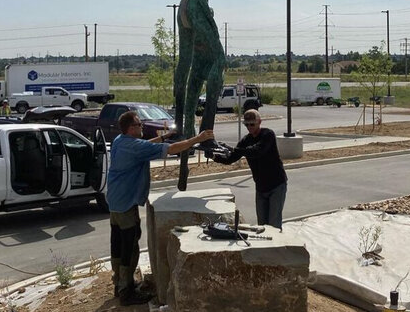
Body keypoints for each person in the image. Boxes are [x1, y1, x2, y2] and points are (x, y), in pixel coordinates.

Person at [107, 110, 214, 305]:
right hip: (126, 204)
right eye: (139, 125)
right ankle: (126, 291)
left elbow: (145, 146)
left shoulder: (120, 141)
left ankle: (119, 283)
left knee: (117, 243)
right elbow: (172, 149)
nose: (141, 127)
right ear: (131, 128)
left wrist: (163, 136)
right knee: (129, 247)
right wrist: (197, 138)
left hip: (114, 202)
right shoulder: (134, 146)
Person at [212, 109, 287, 229]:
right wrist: (214, 156)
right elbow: (231, 158)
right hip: (261, 187)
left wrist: (232, 148)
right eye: (246, 124)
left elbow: (257, 151)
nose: (249, 127)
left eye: (252, 124)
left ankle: (276, 247)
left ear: (260, 122)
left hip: (276, 185)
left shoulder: (268, 134)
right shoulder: (246, 140)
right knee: (261, 225)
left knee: (274, 224)